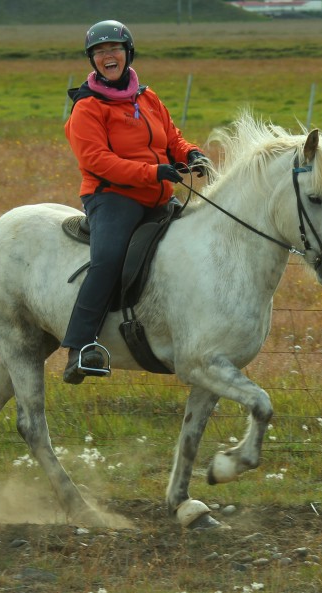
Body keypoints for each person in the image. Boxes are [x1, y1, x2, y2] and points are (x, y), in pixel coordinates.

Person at [61, 19, 209, 384]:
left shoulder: (147, 97)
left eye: (113, 49)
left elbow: (171, 137)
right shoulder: (87, 108)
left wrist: (190, 154)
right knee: (108, 259)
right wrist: (154, 172)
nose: (107, 56)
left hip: (159, 194)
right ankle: (80, 348)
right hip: (112, 196)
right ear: (92, 60)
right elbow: (96, 161)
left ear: (128, 54)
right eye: (99, 52)